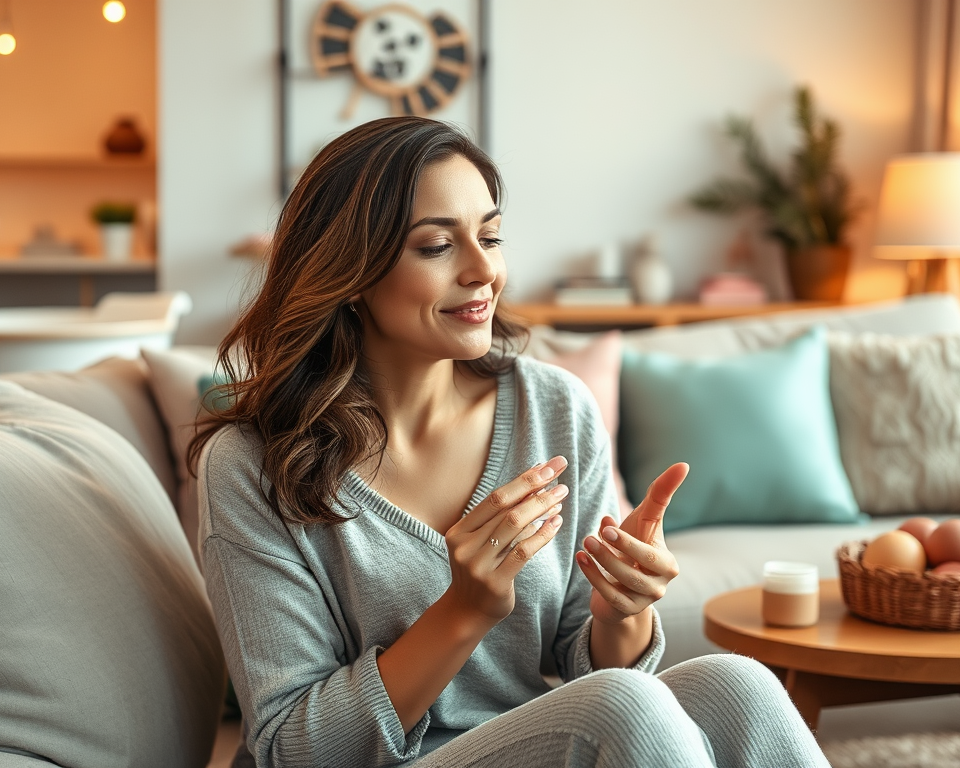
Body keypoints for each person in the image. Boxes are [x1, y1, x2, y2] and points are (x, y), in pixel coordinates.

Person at [189, 116, 830, 768]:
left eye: (490, 236)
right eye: (437, 246)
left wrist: (618, 612)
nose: (483, 271)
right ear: (350, 272)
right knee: (623, 708)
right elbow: (292, 748)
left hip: (529, 744)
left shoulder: (551, 407)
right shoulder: (248, 465)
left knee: (738, 683)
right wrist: (462, 611)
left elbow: (591, 663)